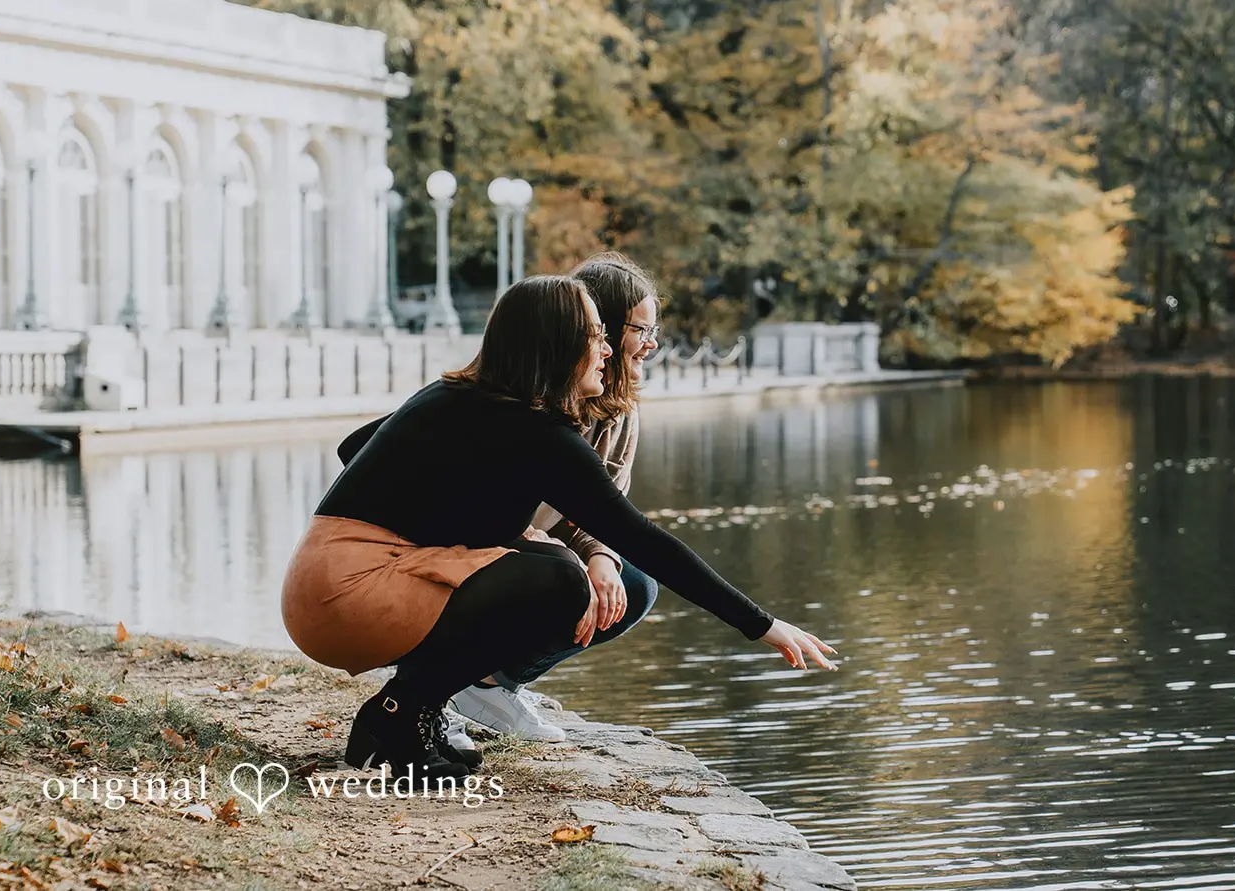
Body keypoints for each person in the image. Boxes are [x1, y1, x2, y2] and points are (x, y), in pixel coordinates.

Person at [281, 274, 836, 782]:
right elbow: (642, 539)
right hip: (343, 592)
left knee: (552, 564)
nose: (608, 349)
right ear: (557, 344)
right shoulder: (535, 432)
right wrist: (760, 624)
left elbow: (356, 448)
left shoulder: (463, 397)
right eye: (597, 335)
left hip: (322, 581)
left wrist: (462, 531)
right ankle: (398, 717)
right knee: (562, 581)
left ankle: (416, 712)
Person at [337, 252, 667, 744]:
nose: (651, 343)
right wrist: (518, 534)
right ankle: (427, 693)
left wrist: (599, 556)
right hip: (460, 548)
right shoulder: (512, 399)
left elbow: (607, 516)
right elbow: (357, 449)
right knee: (554, 575)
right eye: (640, 329)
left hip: (522, 552)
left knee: (633, 585)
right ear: (596, 324)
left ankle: (491, 684)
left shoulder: (617, 414)